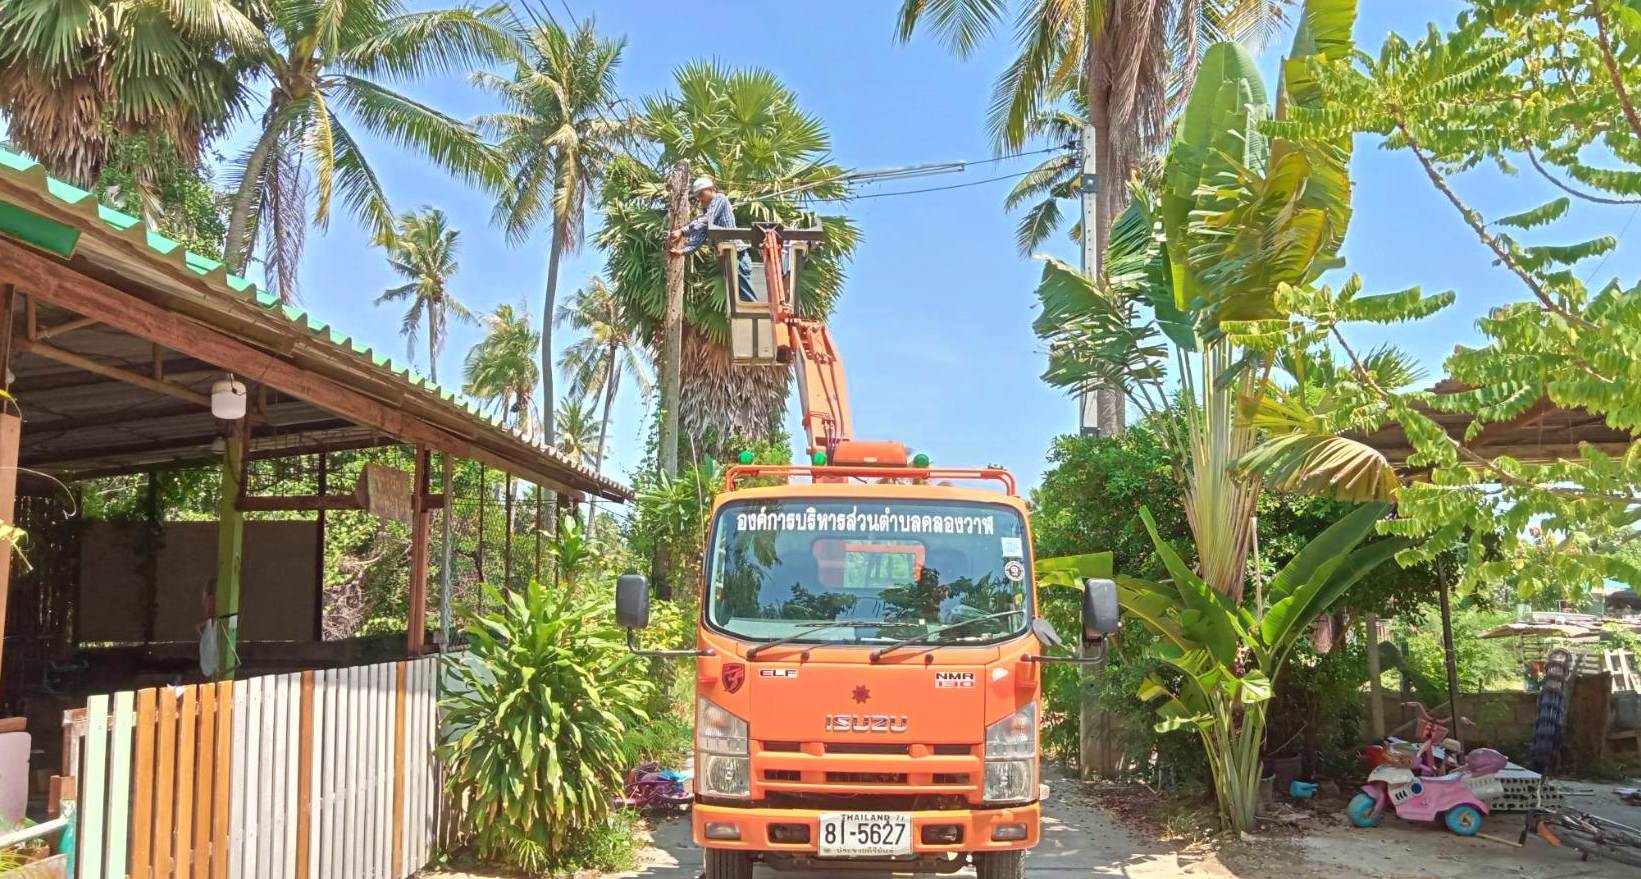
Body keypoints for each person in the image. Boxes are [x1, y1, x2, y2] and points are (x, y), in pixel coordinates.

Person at [668, 176, 758, 302]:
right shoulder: (707, 213)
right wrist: (682, 251)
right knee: (738, 299)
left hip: (737, 254)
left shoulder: (720, 199)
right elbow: (700, 237)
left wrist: (682, 231)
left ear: (711, 189)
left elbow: (706, 219)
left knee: (747, 297)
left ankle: (760, 320)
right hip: (727, 256)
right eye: (697, 196)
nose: (699, 198)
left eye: (701, 194)